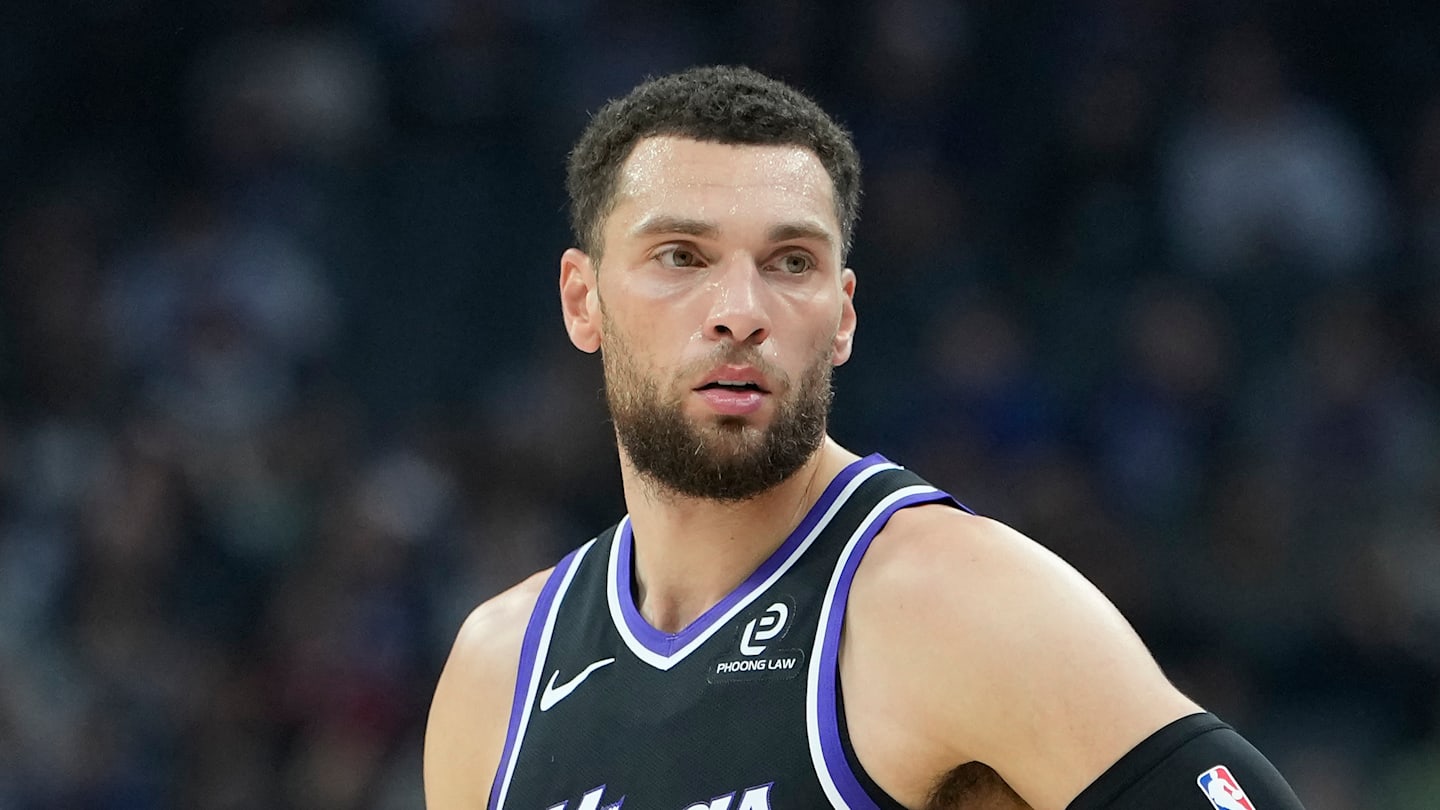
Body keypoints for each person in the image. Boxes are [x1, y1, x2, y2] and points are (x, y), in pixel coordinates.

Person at [424, 66, 1308, 810]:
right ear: (583, 300)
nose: (740, 312)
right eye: (682, 256)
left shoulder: (954, 600)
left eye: (791, 263)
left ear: (842, 315)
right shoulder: (497, 673)